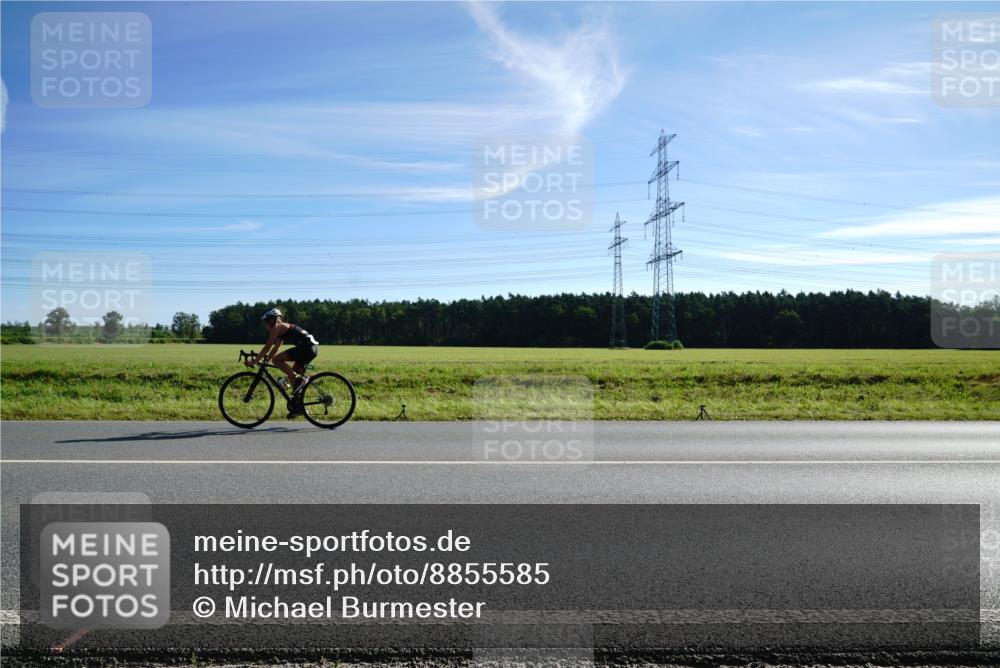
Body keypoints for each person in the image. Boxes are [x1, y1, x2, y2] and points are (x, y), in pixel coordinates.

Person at [248, 308, 319, 415]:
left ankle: (301, 380)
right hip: (310, 349)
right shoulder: (282, 329)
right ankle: (298, 408)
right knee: (293, 377)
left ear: (271, 320)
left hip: (306, 348)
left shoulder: (277, 327)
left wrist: (254, 362)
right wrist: (266, 360)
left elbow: (267, 347)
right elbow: (275, 348)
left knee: (277, 360)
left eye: (265, 322)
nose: (265, 325)